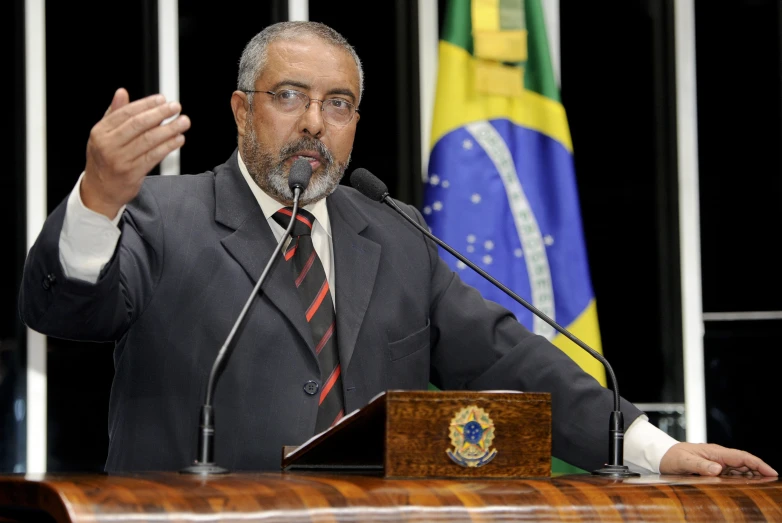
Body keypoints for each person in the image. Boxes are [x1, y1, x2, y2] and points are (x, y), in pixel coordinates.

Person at [19, 21, 775, 477]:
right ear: (242, 110)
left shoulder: (391, 228)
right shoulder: (159, 213)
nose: (314, 122)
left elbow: (511, 358)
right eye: (290, 97)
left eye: (338, 103)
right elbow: (64, 309)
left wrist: (650, 447)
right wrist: (97, 199)